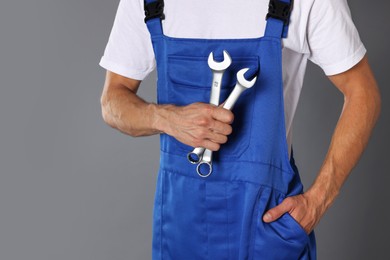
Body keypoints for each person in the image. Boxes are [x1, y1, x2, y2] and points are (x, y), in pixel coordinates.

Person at [99, 0, 381, 259]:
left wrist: (317, 202)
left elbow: (363, 93)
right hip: (179, 227)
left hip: (266, 229)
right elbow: (113, 101)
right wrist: (166, 119)